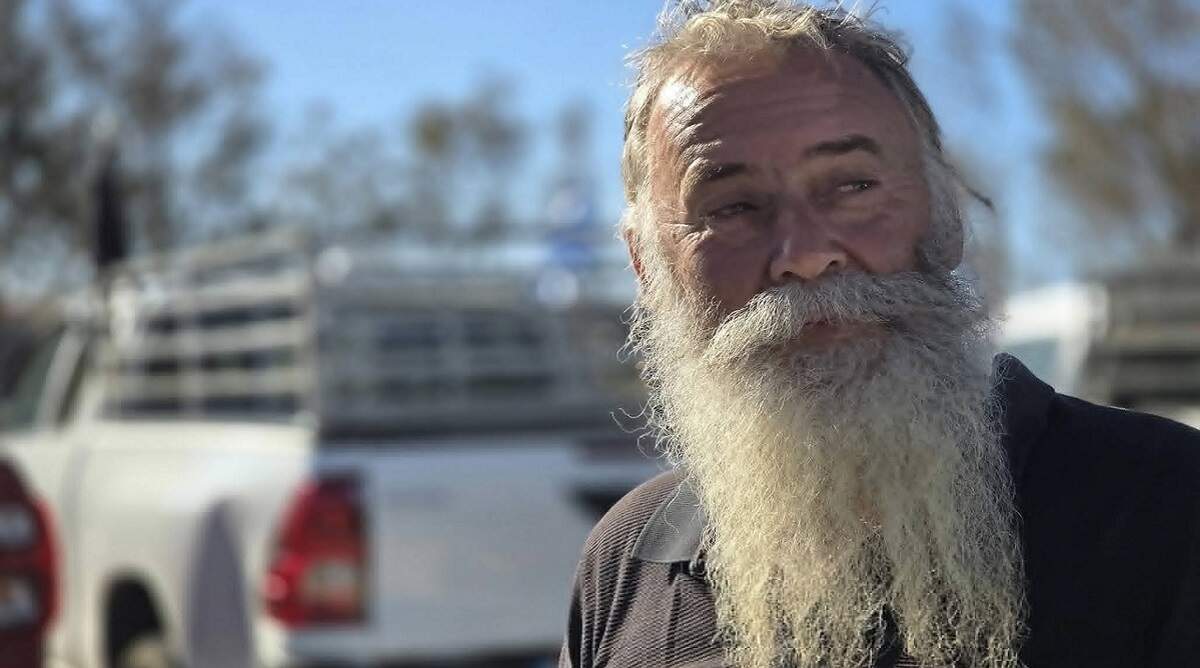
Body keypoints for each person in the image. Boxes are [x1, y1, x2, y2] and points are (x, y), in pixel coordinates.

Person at [558, 2, 1200, 667]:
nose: (805, 254)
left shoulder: (1165, 506)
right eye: (733, 207)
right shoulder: (626, 562)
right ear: (645, 264)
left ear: (946, 214)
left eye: (853, 185)